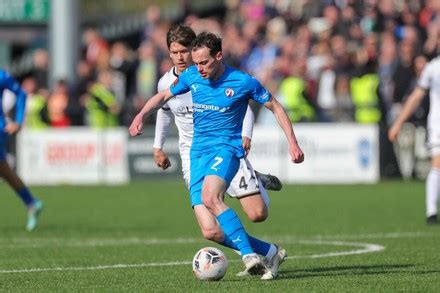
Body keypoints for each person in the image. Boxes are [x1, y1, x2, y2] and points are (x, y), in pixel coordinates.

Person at [129, 32, 304, 279]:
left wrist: (292, 143)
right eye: (196, 62)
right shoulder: (191, 76)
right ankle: (270, 252)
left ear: (219, 56)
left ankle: (249, 255)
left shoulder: (243, 82)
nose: (198, 68)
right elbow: (163, 98)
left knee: (222, 201)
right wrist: (140, 116)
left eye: (204, 63)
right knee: (210, 231)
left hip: (227, 149)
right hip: (197, 154)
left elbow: (275, 106)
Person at [154, 25, 282, 226]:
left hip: (223, 145)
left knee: (257, 214)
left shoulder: (213, 76)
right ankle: (255, 253)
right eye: (174, 52)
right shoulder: (166, 83)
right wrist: (157, 147)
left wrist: (245, 135)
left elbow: (244, 107)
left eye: (184, 52)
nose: (179, 57)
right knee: (210, 225)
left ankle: (255, 180)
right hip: (192, 152)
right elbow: (164, 110)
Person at [388, 54, 440, 225]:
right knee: (437, 163)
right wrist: (398, 123)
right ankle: (431, 211)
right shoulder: (432, 68)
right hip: (438, 124)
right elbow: (415, 97)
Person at [0, 69, 43, 231]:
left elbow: (21, 94)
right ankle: (32, 203)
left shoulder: (2, 76)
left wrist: (18, 121)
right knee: (4, 170)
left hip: (0, 129)